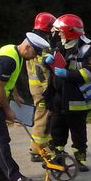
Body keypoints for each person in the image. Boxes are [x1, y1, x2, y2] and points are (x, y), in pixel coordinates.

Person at [0, 32, 50, 181]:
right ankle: (14, 175)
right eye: (35, 52)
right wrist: (7, 109)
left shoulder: (14, 51)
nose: (35, 57)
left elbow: (6, 78)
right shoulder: (10, 60)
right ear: (27, 47)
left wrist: (15, 94)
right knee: (1, 138)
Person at [47, 13, 91, 171]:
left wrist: (67, 74)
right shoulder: (62, 45)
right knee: (57, 129)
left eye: (61, 31)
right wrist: (46, 60)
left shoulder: (86, 51)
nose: (58, 34)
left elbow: (88, 74)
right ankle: (59, 159)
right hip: (59, 98)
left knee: (78, 133)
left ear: (70, 32)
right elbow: (53, 59)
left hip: (77, 100)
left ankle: (80, 160)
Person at [26, 12, 56, 162]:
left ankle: (43, 145)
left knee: (45, 115)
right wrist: (47, 89)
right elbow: (40, 69)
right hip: (41, 88)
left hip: (35, 86)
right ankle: (36, 149)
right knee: (42, 116)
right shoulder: (40, 43)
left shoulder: (31, 39)